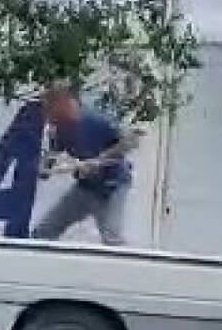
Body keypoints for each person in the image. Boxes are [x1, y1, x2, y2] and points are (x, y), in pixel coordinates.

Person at [29, 83, 139, 246]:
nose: (47, 116)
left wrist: (100, 160)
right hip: (86, 188)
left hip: (112, 187)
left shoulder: (95, 120)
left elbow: (131, 140)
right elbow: (51, 159)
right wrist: (43, 167)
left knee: (112, 239)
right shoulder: (60, 129)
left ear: (64, 103)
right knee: (43, 232)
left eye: (50, 109)